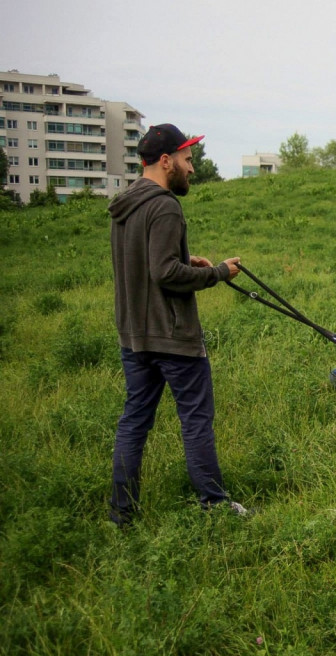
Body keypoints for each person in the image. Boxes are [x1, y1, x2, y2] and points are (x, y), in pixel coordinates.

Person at [108, 123, 244, 526]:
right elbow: (165, 273)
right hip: (173, 337)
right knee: (196, 420)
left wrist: (189, 262)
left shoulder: (124, 205)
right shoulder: (165, 205)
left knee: (134, 422)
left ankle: (121, 514)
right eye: (187, 160)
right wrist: (218, 272)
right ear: (165, 160)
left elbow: (149, 267)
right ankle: (214, 505)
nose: (192, 169)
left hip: (134, 336)